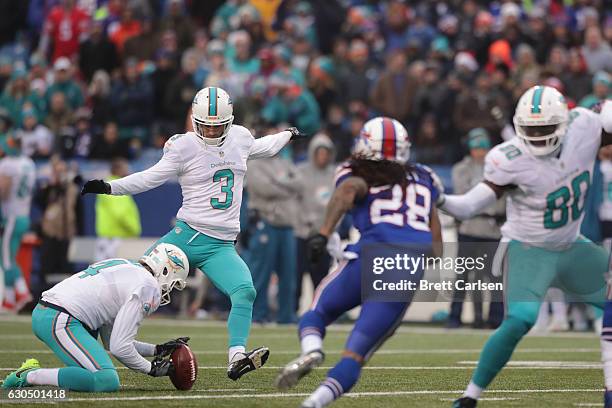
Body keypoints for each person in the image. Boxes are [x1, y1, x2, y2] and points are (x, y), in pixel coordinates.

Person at [81, 86, 307, 380]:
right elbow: (149, 178)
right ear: (194, 122)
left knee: (245, 291)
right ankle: (96, 324)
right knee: (137, 283)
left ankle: (236, 356)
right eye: (206, 127)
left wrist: (287, 134)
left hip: (221, 245)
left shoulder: (240, 137)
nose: (212, 133)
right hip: (186, 238)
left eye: (218, 127)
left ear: (230, 121)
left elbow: (266, 146)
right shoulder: (183, 146)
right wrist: (111, 187)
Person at [438, 87, 610, 407]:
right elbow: (468, 207)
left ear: (562, 123)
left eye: (544, 128)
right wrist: (442, 199)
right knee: (520, 319)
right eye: (530, 129)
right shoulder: (509, 158)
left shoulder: (585, 127)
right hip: (528, 250)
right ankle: (469, 396)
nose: (537, 136)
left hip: (572, 245)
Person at [275, 116, 442, 408]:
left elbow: (347, 191)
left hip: (370, 255)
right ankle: (313, 403)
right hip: (405, 269)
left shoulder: (355, 169)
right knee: (355, 355)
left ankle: (312, 349)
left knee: (318, 310)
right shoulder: (426, 176)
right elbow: (437, 247)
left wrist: (323, 233)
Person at [1, 243, 190, 392]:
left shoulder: (128, 268)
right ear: (165, 270)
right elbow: (119, 347)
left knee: (87, 375)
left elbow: (112, 340)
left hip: (53, 313)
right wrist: (150, 369)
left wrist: (157, 349)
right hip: (61, 318)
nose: (168, 289)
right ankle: (29, 375)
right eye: (172, 283)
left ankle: (33, 375)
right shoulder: (147, 285)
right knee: (105, 380)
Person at [447, 128, 505, 329]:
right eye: (476, 147)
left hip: (492, 229)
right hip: (469, 228)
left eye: (483, 147)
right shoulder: (461, 168)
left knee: (495, 276)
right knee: (462, 276)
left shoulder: (500, 167)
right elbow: (463, 194)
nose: (480, 151)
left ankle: (495, 319)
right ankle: (455, 317)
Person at [0, 134, 36, 312]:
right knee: (9, 257)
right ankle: (9, 299)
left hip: (12, 216)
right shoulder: (29, 162)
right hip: (24, 214)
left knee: (6, 259)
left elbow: (3, 192)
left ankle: (22, 293)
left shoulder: (7, 164)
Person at [94, 158, 141, 261]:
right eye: (125, 169)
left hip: (109, 238)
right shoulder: (114, 187)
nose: (128, 172)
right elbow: (120, 213)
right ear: (118, 170)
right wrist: (133, 229)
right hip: (114, 239)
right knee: (112, 273)